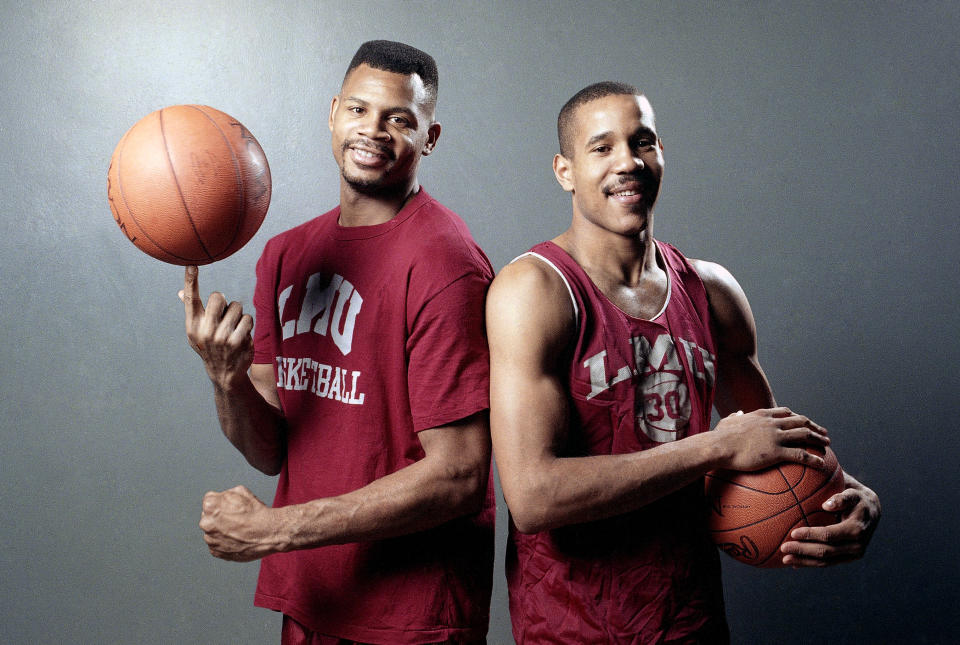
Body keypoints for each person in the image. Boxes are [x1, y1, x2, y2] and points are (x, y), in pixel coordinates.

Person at [485, 82, 881, 644]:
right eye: (602, 148)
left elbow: (770, 445)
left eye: (641, 142)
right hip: (571, 627)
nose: (628, 162)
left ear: (661, 153)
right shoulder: (536, 291)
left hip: (689, 618)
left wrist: (849, 493)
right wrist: (714, 446)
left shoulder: (711, 292)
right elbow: (532, 496)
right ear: (564, 170)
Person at [180, 41, 495, 645]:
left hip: (409, 616)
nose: (372, 131)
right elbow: (271, 448)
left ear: (429, 138)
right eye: (359, 110)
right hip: (315, 597)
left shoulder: (445, 265)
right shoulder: (287, 256)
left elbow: (458, 475)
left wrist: (275, 530)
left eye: (399, 119)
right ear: (332, 113)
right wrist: (225, 377)